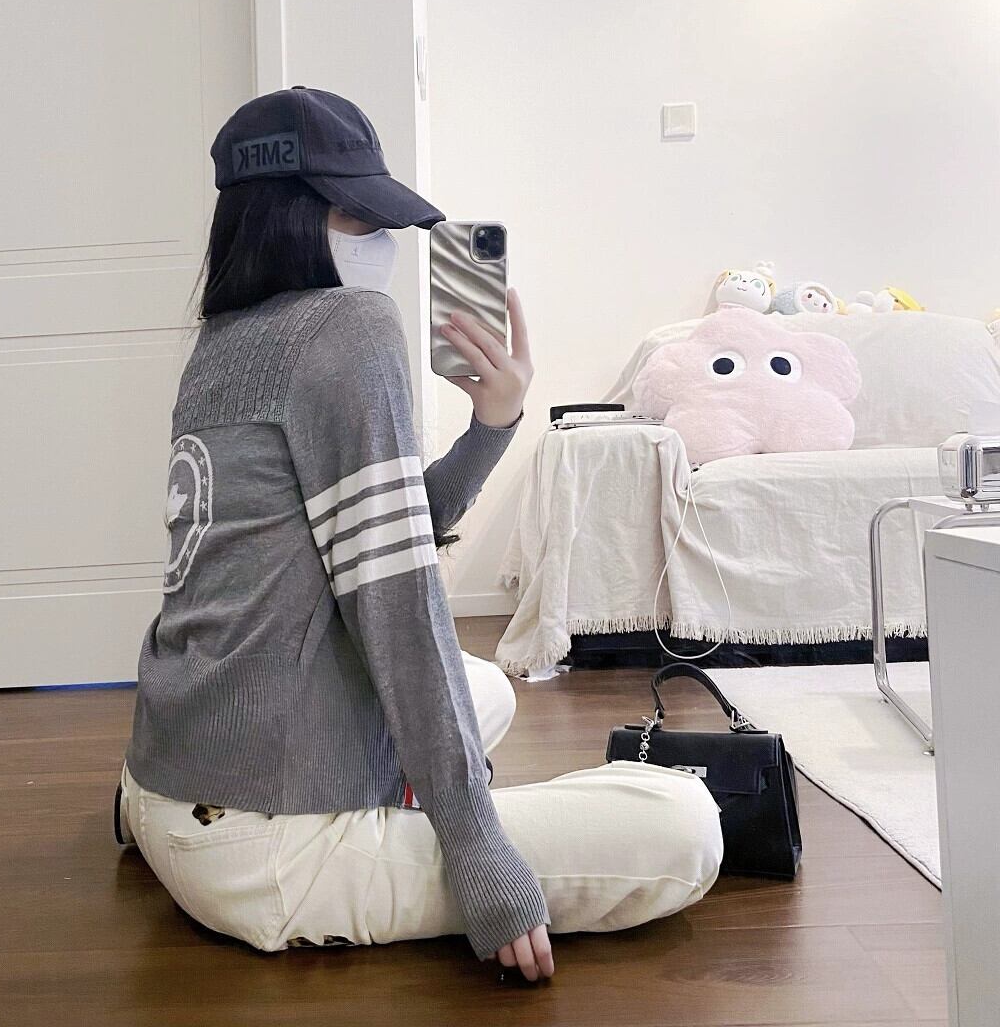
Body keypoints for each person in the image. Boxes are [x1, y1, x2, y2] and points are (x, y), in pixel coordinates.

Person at [116, 87, 723, 982]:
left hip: (174, 776)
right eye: (359, 214)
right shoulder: (348, 326)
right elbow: (397, 602)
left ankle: (172, 807)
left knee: (489, 692)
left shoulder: (221, 343)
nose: (382, 239)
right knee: (685, 827)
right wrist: (475, 846)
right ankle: (380, 821)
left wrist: (493, 424)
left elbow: (378, 530)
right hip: (265, 850)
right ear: (290, 212)